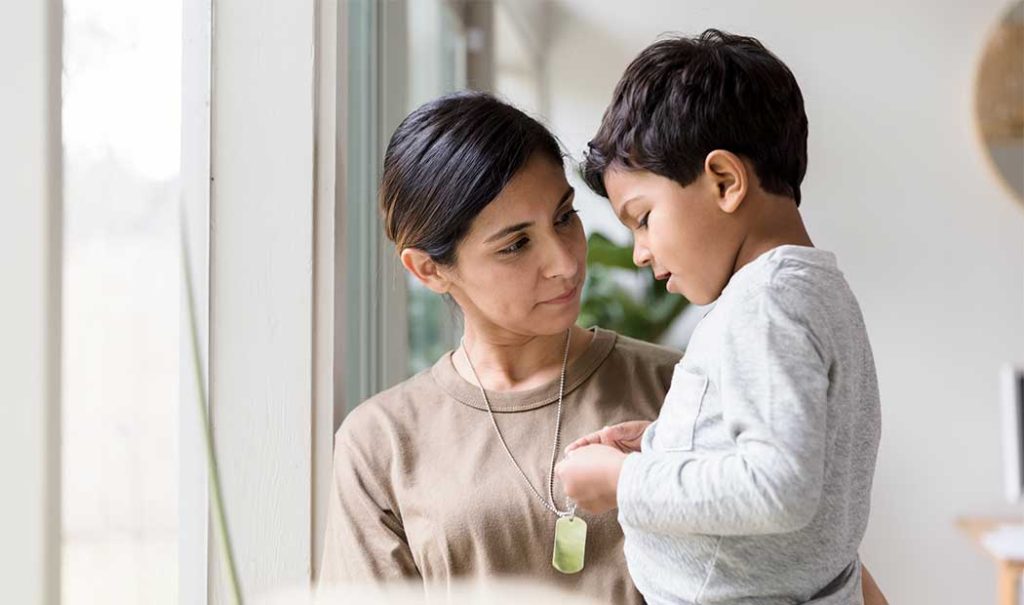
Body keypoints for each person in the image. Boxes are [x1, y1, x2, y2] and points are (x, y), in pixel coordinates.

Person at [556, 30, 884, 605]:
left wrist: (624, 482)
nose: (640, 251)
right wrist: (669, 445)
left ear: (725, 182)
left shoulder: (766, 303)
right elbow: (799, 447)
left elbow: (777, 487)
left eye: (643, 218)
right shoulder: (808, 289)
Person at [318, 91, 681, 604]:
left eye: (563, 218)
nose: (565, 262)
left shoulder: (682, 387)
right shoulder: (380, 443)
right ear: (429, 269)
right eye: (515, 245)